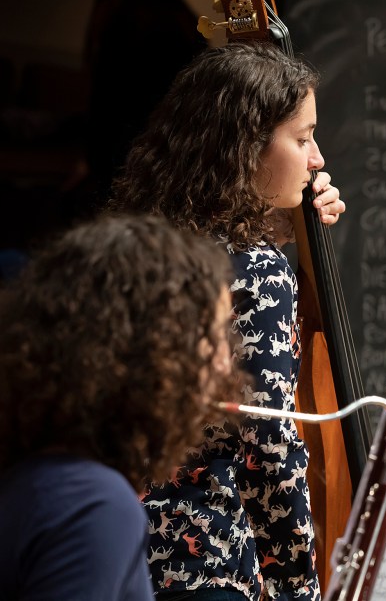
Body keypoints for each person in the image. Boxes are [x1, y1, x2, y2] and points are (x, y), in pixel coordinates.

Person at [110, 42, 345, 600]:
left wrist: (285, 229)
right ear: (246, 148)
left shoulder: (136, 240)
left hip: (120, 544)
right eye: (303, 137)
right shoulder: (258, 272)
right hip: (205, 561)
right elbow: (268, 445)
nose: (317, 160)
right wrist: (299, 587)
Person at [0, 213, 240, 600]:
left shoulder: (41, 479)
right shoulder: (94, 504)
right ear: (149, 348)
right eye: (212, 335)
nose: (225, 363)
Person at [79, 0, 206, 215]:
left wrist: (89, 159)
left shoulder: (123, 18)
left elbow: (107, 102)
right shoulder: (184, 20)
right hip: (176, 155)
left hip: (127, 154)